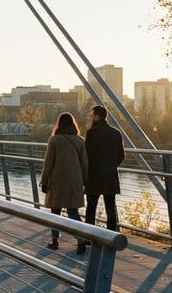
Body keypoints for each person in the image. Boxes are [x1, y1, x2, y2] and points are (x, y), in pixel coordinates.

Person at [39, 112, 88, 252]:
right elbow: (85, 163)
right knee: (73, 211)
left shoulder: (55, 140)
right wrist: (85, 180)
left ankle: (55, 240)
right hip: (75, 179)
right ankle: (80, 238)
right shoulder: (80, 140)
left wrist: (44, 181)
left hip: (57, 180)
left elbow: (48, 162)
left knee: (55, 211)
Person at [84, 104, 125, 245]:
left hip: (94, 176)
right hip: (110, 175)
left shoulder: (92, 133)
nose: (91, 117)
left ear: (98, 116)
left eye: (92, 115)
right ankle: (111, 237)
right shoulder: (116, 133)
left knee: (91, 207)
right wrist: (112, 166)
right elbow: (121, 155)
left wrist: (87, 173)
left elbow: (87, 156)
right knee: (110, 207)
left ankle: (89, 237)